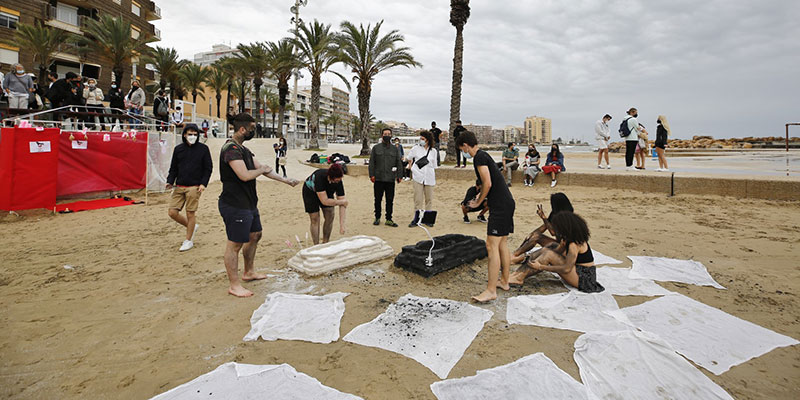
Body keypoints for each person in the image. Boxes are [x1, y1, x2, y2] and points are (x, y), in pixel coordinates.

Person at [218, 113, 300, 297]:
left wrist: (286, 180)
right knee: (235, 244)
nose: (253, 131)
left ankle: (249, 272)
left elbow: (264, 169)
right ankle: (234, 285)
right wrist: (261, 169)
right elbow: (245, 175)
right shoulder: (230, 149)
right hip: (234, 204)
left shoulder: (244, 150)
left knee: (255, 235)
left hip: (248, 203)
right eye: (252, 128)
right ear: (242, 129)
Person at [456, 130, 515, 303]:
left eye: (462, 149)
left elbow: (487, 183)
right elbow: (489, 183)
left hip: (501, 206)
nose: (463, 152)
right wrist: (479, 197)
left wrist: (477, 202)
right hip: (506, 203)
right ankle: (504, 281)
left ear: (466, 145)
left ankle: (491, 290)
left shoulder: (479, 157)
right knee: (501, 243)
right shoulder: (484, 155)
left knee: (491, 246)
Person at [510, 211, 604, 293]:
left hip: (584, 279)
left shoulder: (574, 244)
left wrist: (541, 266)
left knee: (548, 254)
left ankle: (519, 278)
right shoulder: (568, 238)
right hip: (576, 269)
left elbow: (566, 269)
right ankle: (517, 274)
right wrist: (559, 248)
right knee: (549, 248)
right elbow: (556, 252)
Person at [166, 124, 213, 251]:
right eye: (190, 134)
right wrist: (170, 181)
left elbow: (208, 168)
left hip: (194, 186)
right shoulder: (178, 149)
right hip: (179, 186)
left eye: (195, 134)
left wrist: (203, 184)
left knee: (190, 213)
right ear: (184, 135)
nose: (192, 136)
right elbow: (173, 168)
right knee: (172, 212)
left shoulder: (203, 149)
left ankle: (188, 240)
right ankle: (192, 226)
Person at [510, 192, 574, 266]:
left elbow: (553, 232)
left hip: (564, 248)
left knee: (537, 241)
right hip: (558, 243)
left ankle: (515, 256)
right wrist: (531, 234)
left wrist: (544, 218)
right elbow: (544, 227)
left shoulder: (567, 216)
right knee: (535, 235)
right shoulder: (555, 213)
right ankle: (515, 254)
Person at [303, 164, 348, 245]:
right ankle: (316, 244)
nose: (338, 182)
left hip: (327, 192)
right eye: (336, 181)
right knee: (315, 218)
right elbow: (325, 201)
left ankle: (325, 242)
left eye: (339, 180)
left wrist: (342, 225)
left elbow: (343, 203)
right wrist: (340, 202)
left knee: (330, 214)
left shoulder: (339, 182)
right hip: (310, 191)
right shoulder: (319, 177)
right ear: (330, 177)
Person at [369, 127, 404, 227]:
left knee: (389, 200)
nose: (387, 136)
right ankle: (377, 217)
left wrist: (399, 175)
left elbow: (399, 163)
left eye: (389, 134)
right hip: (378, 178)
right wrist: (371, 175)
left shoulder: (395, 149)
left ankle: (389, 219)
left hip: (390, 179)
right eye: (385, 134)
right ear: (382, 135)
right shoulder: (376, 148)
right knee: (377, 199)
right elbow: (372, 163)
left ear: (391, 136)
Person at [406, 130, 439, 227]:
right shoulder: (415, 148)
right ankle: (417, 219)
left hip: (429, 177)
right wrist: (412, 167)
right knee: (418, 199)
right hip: (418, 176)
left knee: (429, 199)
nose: (421, 140)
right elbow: (409, 157)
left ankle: (428, 220)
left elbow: (434, 165)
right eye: (420, 138)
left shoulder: (433, 151)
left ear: (428, 140)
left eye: (423, 139)